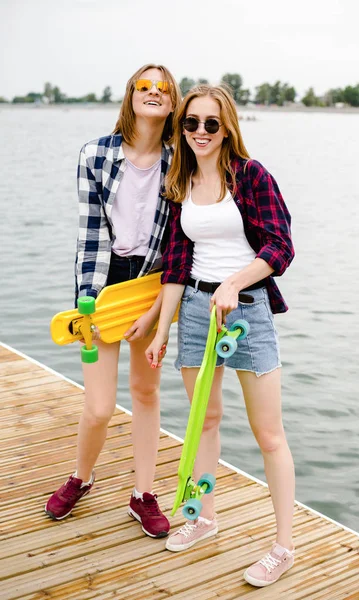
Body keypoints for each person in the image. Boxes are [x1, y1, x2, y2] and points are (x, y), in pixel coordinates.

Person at [146, 85, 296, 585]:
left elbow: (281, 246)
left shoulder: (251, 176)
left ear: (227, 126)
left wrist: (234, 281)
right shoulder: (181, 179)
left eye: (211, 123)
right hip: (194, 307)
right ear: (181, 127)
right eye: (191, 123)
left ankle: (283, 547)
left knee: (268, 433)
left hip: (247, 308)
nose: (200, 133)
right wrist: (160, 329)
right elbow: (174, 262)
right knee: (203, 420)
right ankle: (203, 517)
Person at [45, 64, 181, 539]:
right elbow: (88, 234)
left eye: (163, 89)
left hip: (153, 286)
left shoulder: (179, 158)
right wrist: (87, 303)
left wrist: (160, 309)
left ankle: (143, 495)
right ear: (130, 95)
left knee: (145, 393)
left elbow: (182, 240)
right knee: (100, 406)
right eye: (144, 86)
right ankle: (82, 477)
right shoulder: (95, 154)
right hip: (103, 286)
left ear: (171, 102)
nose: (153, 93)